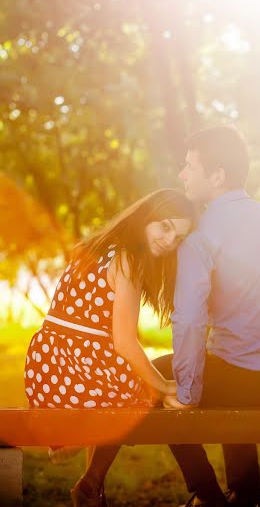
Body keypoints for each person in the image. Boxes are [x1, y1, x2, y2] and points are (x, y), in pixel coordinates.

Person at [154, 126, 260, 507]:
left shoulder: (200, 236)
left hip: (240, 380)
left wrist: (187, 392)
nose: (182, 174)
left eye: (190, 166)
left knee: (158, 379)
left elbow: (189, 322)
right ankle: (247, 491)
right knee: (225, 365)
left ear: (217, 175)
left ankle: (206, 495)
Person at [24, 188, 194, 507]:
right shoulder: (128, 259)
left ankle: (92, 485)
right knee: (141, 395)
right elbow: (125, 342)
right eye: (165, 226)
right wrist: (162, 384)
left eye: (179, 236)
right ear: (147, 217)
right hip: (77, 364)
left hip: (47, 368)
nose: (170, 240)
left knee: (121, 384)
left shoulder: (98, 247)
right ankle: (88, 475)